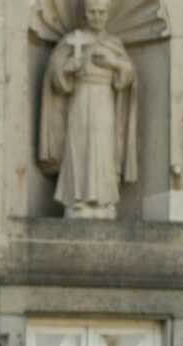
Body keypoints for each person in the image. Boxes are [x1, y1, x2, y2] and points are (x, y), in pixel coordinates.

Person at [38, 0, 138, 219]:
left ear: (108, 13)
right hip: (79, 99)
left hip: (105, 99)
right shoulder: (72, 41)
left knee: (104, 147)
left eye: (101, 12)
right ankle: (77, 199)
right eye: (92, 12)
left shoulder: (113, 43)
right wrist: (69, 67)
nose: (96, 17)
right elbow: (53, 76)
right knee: (78, 145)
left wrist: (114, 63)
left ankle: (105, 201)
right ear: (84, 14)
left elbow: (129, 74)